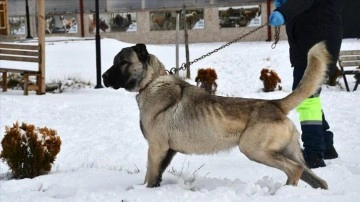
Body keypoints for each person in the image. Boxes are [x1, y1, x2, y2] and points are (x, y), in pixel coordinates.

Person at [269, 0, 343, 168]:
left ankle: (314, 153)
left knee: (306, 97)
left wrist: (285, 11)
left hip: (317, 45)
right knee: (308, 96)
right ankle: (326, 145)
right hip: (306, 45)